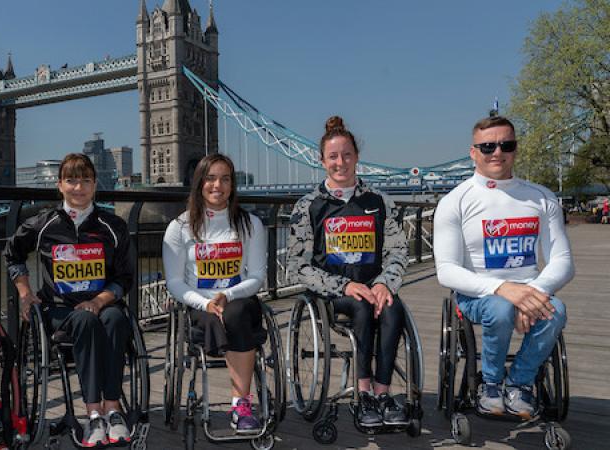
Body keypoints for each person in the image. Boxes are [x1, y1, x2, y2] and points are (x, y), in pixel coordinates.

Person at [434, 116, 573, 419]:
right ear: (473, 153)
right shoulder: (455, 201)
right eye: (487, 146)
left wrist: (531, 293)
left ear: (515, 149)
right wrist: (503, 289)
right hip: (477, 296)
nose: (497, 152)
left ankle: (519, 383)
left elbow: (562, 261)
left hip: (529, 290)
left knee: (556, 311)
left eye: (505, 145)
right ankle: (490, 383)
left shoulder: (541, 197)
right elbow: (446, 270)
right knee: (499, 308)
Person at [287, 116, 409, 428]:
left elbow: (397, 249)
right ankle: (364, 393)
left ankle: (383, 393)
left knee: (393, 308)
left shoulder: (379, 201)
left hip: (374, 286)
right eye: (333, 156)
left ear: (356, 156)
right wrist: (344, 286)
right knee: (363, 306)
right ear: (322, 160)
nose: (340, 162)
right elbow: (298, 266)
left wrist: (384, 283)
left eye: (347, 155)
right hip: (333, 295)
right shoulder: (308, 206)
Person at [4, 153, 134, 447]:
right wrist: (25, 292)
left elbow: (125, 277)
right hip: (61, 311)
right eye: (71, 180)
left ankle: (112, 409)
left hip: (105, 305)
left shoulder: (113, 226)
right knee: (85, 321)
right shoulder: (43, 224)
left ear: (95, 184)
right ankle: (93, 415)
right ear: (60, 185)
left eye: (85, 180)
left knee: (114, 318)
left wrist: (100, 301)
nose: (79, 187)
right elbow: (12, 254)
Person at [162, 154, 267, 433]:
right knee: (221, 315)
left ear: (232, 185)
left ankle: (241, 404)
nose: (217, 185)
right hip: (199, 304)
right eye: (210, 178)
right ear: (199, 183)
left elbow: (257, 276)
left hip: (239, 300)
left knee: (238, 311)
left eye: (225, 178)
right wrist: (206, 302)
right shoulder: (179, 228)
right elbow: (174, 282)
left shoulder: (251, 225)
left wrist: (227, 296)